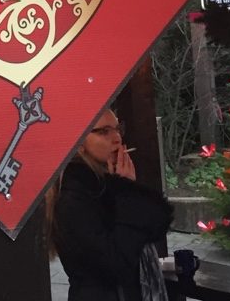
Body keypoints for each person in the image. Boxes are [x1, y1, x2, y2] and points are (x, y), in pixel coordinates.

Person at [47, 109, 173, 301]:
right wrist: (128, 193)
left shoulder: (104, 184)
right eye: (104, 131)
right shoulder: (73, 197)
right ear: (79, 143)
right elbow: (115, 263)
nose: (117, 139)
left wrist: (127, 189)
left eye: (117, 128)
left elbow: (154, 228)